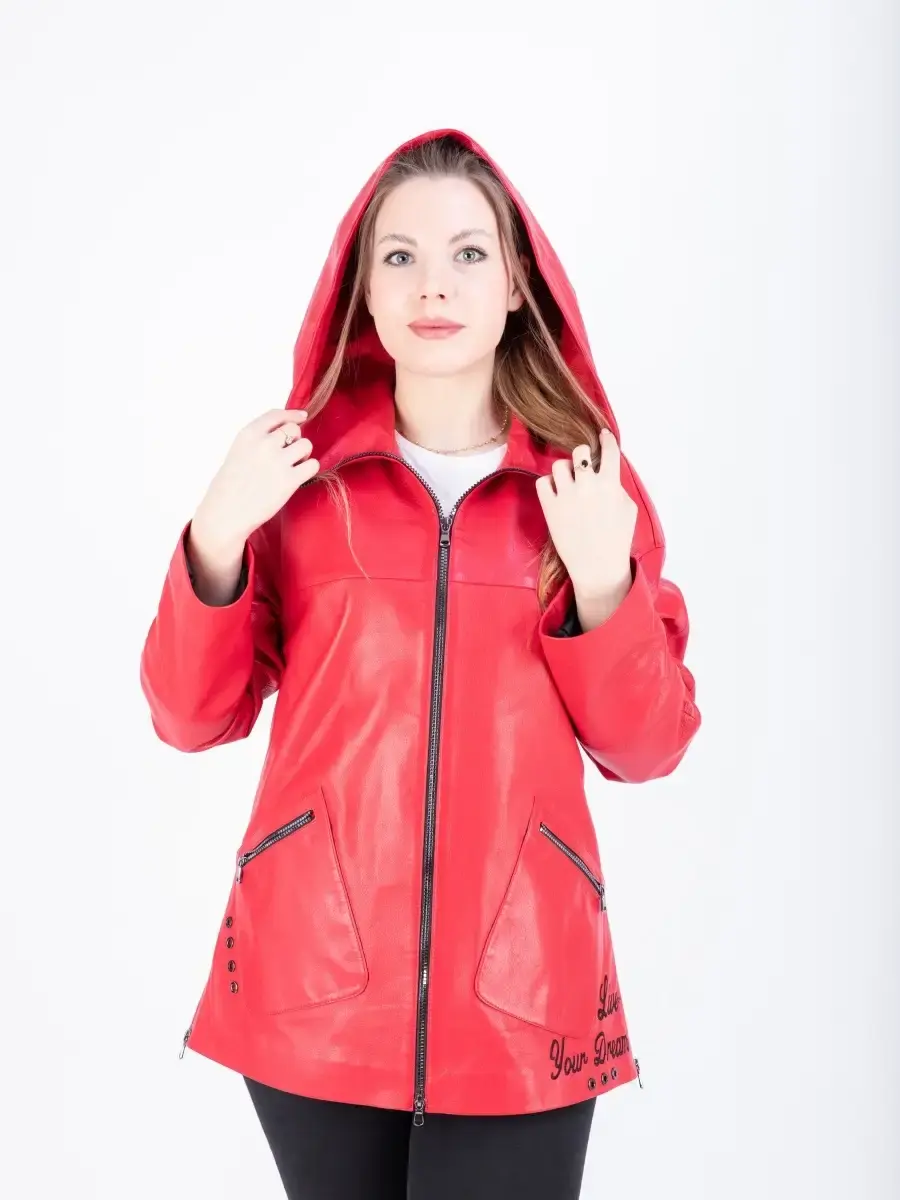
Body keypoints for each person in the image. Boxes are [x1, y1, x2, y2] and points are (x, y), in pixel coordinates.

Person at [140, 127, 701, 1199]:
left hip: (525, 990)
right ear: (361, 287)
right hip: (313, 979)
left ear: (519, 285)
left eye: (468, 254)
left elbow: (649, 746)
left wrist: (602, 585)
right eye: (399, 255)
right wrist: (216, 536)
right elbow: (188, 715)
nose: (432, 285)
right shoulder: (298, 482)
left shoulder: (584, 489)